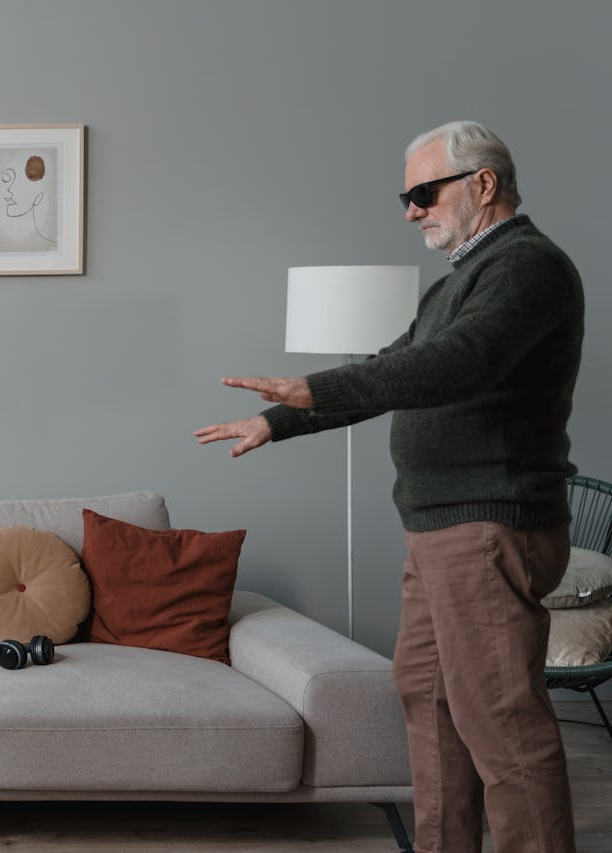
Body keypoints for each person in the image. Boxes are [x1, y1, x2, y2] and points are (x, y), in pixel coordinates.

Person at [194, 121, 583, 853]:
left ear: (483, 184)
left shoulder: (527, 268)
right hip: (438, 526)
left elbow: (455, 365)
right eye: (406, 196)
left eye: (423, 192)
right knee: (429, 700)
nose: (411, 209)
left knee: (498, 715)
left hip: (487, 523)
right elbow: (390, 368)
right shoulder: (457, 282)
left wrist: (310, 388)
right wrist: (277, 421)